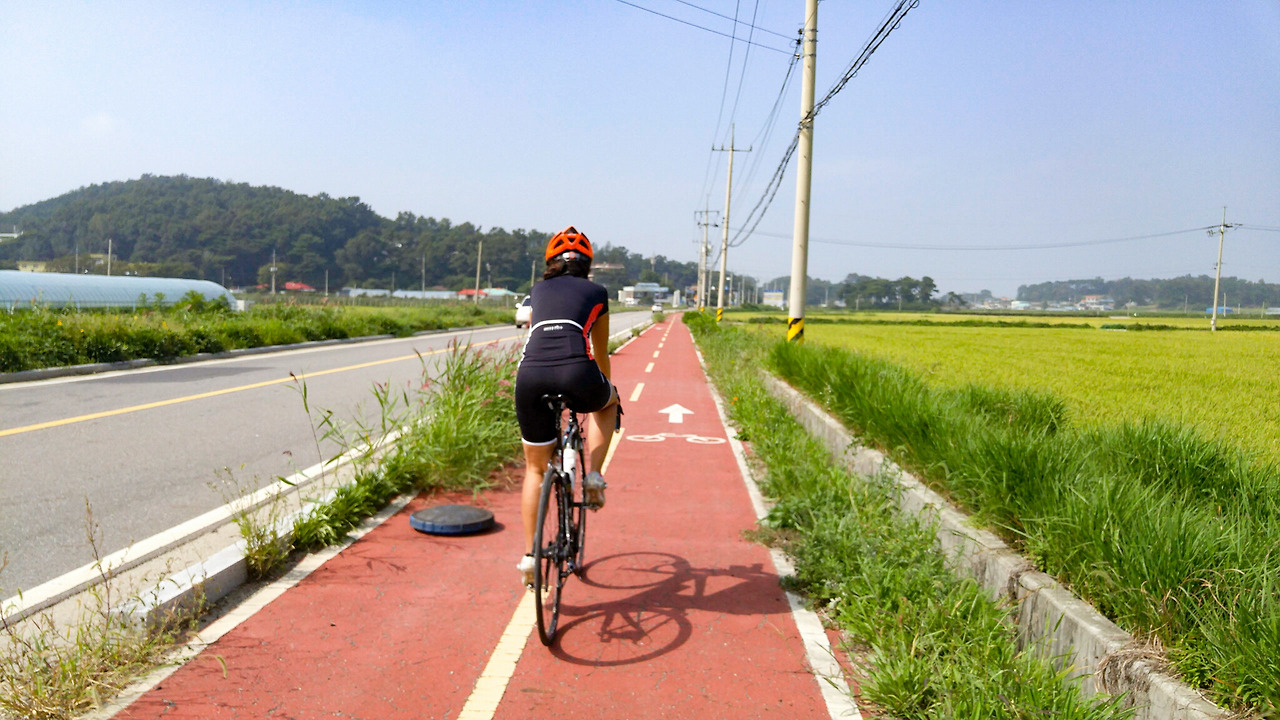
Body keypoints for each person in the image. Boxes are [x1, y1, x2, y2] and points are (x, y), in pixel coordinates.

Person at [514, 226, 620, 587]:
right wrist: (604, 388)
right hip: (577, 372)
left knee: (534, 469)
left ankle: (530, 556)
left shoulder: (537, 291)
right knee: (609, 401)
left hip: (529, 377)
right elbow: (600, 353)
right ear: (587, 265)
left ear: (551, 263)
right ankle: (594, 476)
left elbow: (535, 333)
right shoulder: (597, 292)